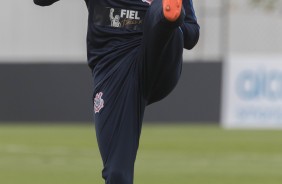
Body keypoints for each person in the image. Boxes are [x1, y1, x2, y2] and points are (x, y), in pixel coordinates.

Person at [33, 0, 199, 184]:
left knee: (157, 12)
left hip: (160, 56)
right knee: (117, 173)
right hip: (114, 68)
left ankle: (167, 15)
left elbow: (192, 36)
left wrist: (174, 17)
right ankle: (165, 15)